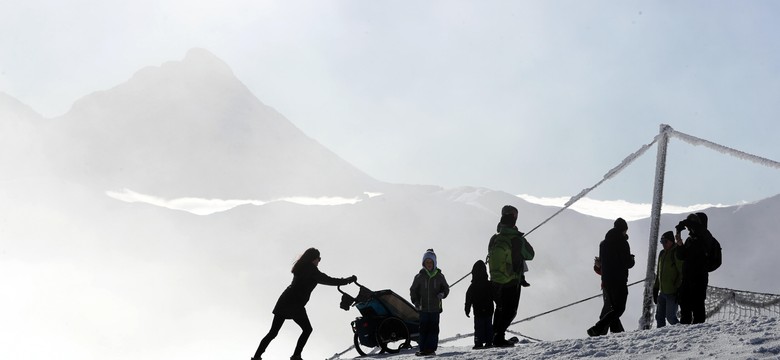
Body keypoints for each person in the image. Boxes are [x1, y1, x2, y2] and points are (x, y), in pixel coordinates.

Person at [252, 248, 356, 360]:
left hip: (284, 300)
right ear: (313, 258)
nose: (319, 261)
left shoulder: (300, 267)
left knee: (273, 333)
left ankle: (256, 357)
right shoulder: (312, 270)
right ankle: (296, 356)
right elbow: (328, 280)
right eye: (319, 258)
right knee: (307, 329)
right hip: (295, 304)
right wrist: (347, 280)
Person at [487, 205, 535, 347]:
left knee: (500, 308)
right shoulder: (517, 240)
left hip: (495, 279)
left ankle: (494, 335)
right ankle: (499, 337)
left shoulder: (494, 239)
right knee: (510, 311)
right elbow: (530, 255)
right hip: (512, 279)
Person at [587, 218, 635, 336]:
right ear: (624, 229)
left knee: (613, 309)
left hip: (606, 282)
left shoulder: (603, 244)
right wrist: (632, 259)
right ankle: (597, 328)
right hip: (619, 280)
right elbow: (627, 263)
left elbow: (602, 264)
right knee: (619, 309)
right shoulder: (623, 243)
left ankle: (617, 334)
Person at [410, 249, 450, 356]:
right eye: (427, 262)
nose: (429, 264)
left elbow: (446, 288)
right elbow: (413, 290)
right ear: (423, 263)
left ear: (434, 263)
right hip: (423, 308)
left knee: (433, 329)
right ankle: (423, 349)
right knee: (423, 329)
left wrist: (442, 294)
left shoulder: (439, 276)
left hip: (435, 308)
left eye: (431, 262)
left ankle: (431, 349)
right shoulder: (419, 277)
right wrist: (416, 302)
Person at [675, 213, 713, 324]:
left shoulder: (706, 237)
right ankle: (684, 331)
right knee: (685, 306)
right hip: (687, 277)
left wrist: (687, 222)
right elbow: (682, 256)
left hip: (699, 277)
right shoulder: (690, 240)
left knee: (698, 307)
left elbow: (700, 230)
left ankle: (698, 333)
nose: (689, 229)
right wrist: (680, 245)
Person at [653, 230, 684, 327]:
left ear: (671, 241)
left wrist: (678, 287)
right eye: (662, 242)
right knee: (659, 317)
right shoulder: (662, 254)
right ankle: (659, 338)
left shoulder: (676, 253)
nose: (663, 244)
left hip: (672, 292)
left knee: (671, 317)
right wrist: (656, 288)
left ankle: (683, 333)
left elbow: (681, 272)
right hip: (662, 292)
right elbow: (659, 273)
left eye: (665, 241)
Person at [465, 260, 494, 349]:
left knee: (478, 328)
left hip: (478, 311)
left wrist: (467, 309)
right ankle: (489, 342)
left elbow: (468, 298)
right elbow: (495, 295)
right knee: (488, 327)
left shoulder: (472, 286)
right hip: (489, 310)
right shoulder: (489, 284)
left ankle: (478, 343)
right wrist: (499, 304)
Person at [592, 255, 624, 334]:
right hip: (607, 286)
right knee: (612, 311)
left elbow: (612, 270)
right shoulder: (606, 248)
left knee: (608, 311)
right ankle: (618, 332)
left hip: (613, 286)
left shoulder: (615, 250)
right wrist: (598, 266)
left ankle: (599, 332)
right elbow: (604, 271)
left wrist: (600, 266)